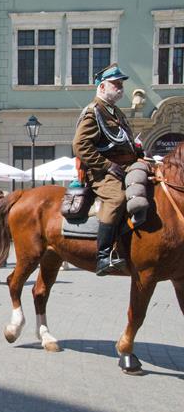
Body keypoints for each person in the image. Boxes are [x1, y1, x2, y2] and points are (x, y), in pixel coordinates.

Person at [72, 63, 141, 276]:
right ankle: (103, 255)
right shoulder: (93, 112)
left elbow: (122, 140)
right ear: (102, 87)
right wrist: (107, 165)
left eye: (121, 84)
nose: (120, 87)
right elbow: (80, 145)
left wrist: (138, 151)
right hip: (102, 173)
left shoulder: (116, 112)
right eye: (115, 83)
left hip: (125, 165)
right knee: (117, 199)